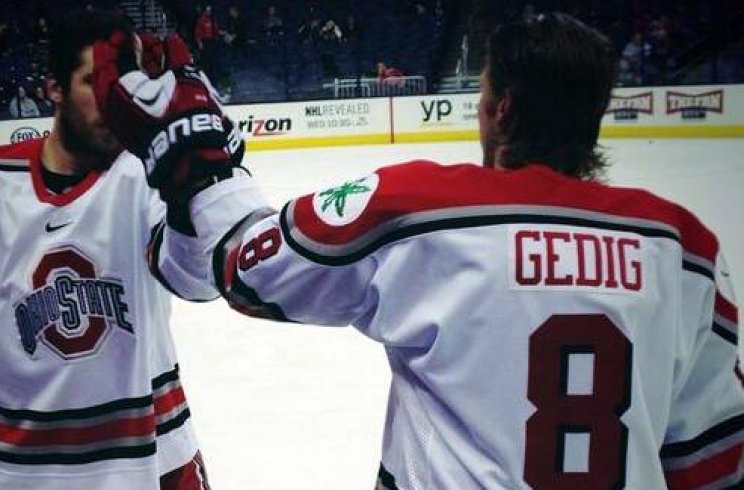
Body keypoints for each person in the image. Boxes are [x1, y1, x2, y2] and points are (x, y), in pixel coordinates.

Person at [95, 13, 744, 489]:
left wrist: (197, 154)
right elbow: (715, 463)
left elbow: (250, 266)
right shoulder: (684, 249)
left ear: (500, 108)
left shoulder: (423, 209)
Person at [0, 11, 221, 490]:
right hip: (24, 471)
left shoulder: (147, 176)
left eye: (127, 84)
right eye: (97, 82)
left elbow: (198, 281)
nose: (116, 101)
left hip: (157, 459)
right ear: (53, 88)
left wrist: (190, 188)